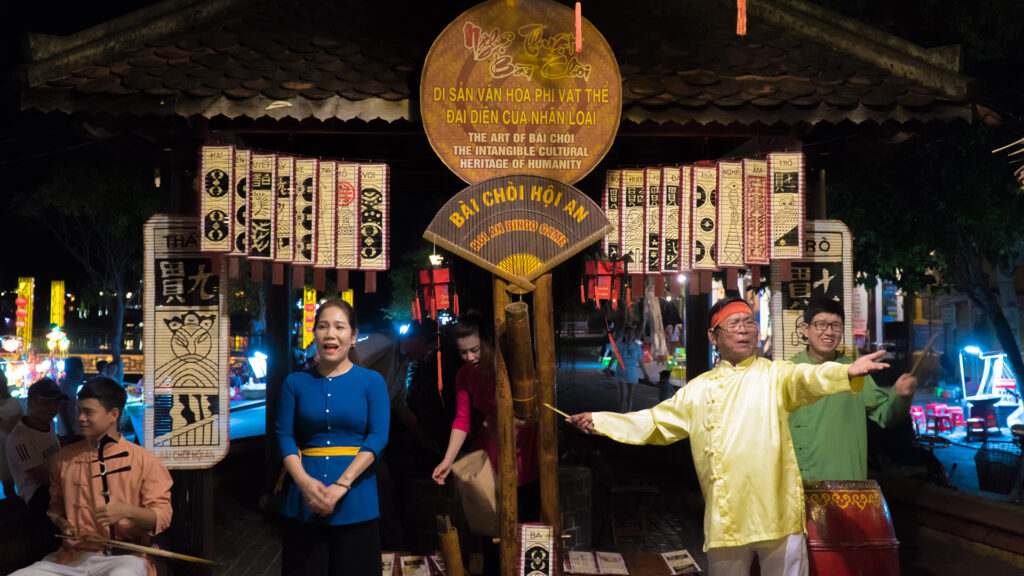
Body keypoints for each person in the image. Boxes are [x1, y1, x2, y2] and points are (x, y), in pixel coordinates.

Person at [567, 296, 890, 576]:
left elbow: (810, 377)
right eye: (734, 323)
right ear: (713, 335)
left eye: (749, 322)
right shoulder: (699, 389)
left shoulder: (775, 374)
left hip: (778, 511)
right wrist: (601, 422)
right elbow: (654, 422)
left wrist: (845, 371)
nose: (744, 329)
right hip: (727, 516)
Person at [11, 377, 173, 576]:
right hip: (71, 557)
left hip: (125, 557)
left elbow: (163, 516)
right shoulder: (64, 459)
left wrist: (126, 510)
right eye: (78, 410)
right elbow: (56, 509)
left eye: (89, 412)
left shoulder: (145, 460)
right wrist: (65, 527)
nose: (80, 418)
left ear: (113, 414)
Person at [274, 298, 389, 576]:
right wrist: (303, 483)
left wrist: (340, 486)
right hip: (303, 502)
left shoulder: (372, 381)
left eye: (339, 327)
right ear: (314, 335)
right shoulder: (294, 382)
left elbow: (377, 437)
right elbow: (284, 434)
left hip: (357, 501)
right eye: (323, 327)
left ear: (353, 336)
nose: (330, 334)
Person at [789, 296, 918, 481]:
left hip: (847, 483)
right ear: (805, 329)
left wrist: (901, 397)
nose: (829, 332)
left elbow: (885, 414)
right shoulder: (788, 371)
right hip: (800, 485)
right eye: (821, 324)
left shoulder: (854, 370)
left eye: (836, 326)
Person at [431, 313, 540, 517]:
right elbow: (462, 420)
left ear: (489, 341)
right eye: (463, 352)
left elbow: (538, 412)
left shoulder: (514, 369)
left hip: (524, 461)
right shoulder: (464, 374)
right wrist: (448, 460)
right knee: (490, 535)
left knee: (526, 532)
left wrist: (508, 422)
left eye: (474, 350)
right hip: (488, 463)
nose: (469, 357)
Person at [7, 379, 64, 560]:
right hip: (36, 495)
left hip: (55, 486)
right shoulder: (20, 437)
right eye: (47, 402)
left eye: (56, 402)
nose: (53, 408)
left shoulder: (49, 424)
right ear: (31, 403)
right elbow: (43, 478)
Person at [1, 370, 24, 498]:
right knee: (7, 487)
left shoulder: (12, 403)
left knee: (14, 486)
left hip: (10, 450)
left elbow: (9, 428)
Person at [57, 358, 86, 439]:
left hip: (72, 430)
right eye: (81, 369)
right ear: (74, 370)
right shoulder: (67, 386)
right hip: (69, 432)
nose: (82, 372)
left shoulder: (71, 385)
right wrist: (70, 431)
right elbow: (62, 409)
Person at [617, 327, 643, 412]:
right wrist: (608, 368)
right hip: (622, 371)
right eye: (628, 333)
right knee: (623, 394)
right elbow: (614, 357)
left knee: (630, 395)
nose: (630, 335)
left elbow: (640, 361)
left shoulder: (637, 347)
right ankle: (621, 413)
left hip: (632, 372)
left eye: (632, 334)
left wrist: (645, 373)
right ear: (625, 334)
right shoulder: (620, 345)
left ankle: (628, 412)